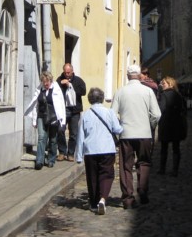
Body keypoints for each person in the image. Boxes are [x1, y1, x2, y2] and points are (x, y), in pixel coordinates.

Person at [111, 64, 161, 208]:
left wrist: (118, 129)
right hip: (144, 133)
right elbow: (157, 114)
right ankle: (143, 189)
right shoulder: (148, 91)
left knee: (126, 166)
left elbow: (113, 114)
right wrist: (150, 124)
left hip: (126, 133)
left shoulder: (120, 92)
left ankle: (128, 198)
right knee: (144, 162)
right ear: (139, 76)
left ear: (127, 76)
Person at [75, 87, 123, 215]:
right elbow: (118, 130)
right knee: (106, 174)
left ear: (90, 99)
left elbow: (80, 136)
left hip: (90, 150)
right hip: (107, 149)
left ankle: (93, 203)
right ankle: (103, 199)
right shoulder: (109, 113)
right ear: (102, 98)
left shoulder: (85, 115)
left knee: (92, 176)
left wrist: (79, 156)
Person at [24, 71, 66, 170]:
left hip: (53, 117)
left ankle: (51, 159)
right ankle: (39, 160)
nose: (46, 84)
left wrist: (62, 121)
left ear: (51, 80)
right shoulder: (39, 89)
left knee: (52, 139)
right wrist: (34, 120)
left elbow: (61, 105)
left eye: (47, 82)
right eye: (44, 82)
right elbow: (35, 105)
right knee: (42, 138)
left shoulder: (56, 89)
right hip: (42, 116)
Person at [156, 76, 187, 176]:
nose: (162, 85)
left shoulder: (164, 95)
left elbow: (161, 109)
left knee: (164, 148)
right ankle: (175, 170)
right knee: (176, 148)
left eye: (163, 83)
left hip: (166, 124)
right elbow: (184, 110)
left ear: (170, 84)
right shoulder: (179, 95)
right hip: (177, 124)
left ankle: (162, 169)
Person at [56, 63, 87, 161]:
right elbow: (55, 93)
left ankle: (71, 153)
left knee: (73, 133)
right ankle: (62, 151)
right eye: (65, 72)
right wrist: (62, 84)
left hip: (75, 110)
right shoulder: (59, 80)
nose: (67, 74)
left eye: (68, 72)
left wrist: (70, 85)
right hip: (63, 109)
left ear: (72, 71)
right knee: (60, 130)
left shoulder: (78, 80)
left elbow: (83, 92)